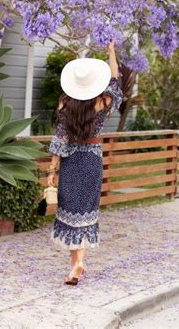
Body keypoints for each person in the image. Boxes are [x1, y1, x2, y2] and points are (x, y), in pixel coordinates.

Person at [46, 40, 122, 285]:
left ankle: (75, 264)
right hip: (92, 161)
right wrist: (111, 53)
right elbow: (115, 83)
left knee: (70, 212)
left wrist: (51, 171)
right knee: (86, 212)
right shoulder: (103, 103)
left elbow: (59, 140)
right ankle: (80, 262)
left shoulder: (65, 104)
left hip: (71, 162)